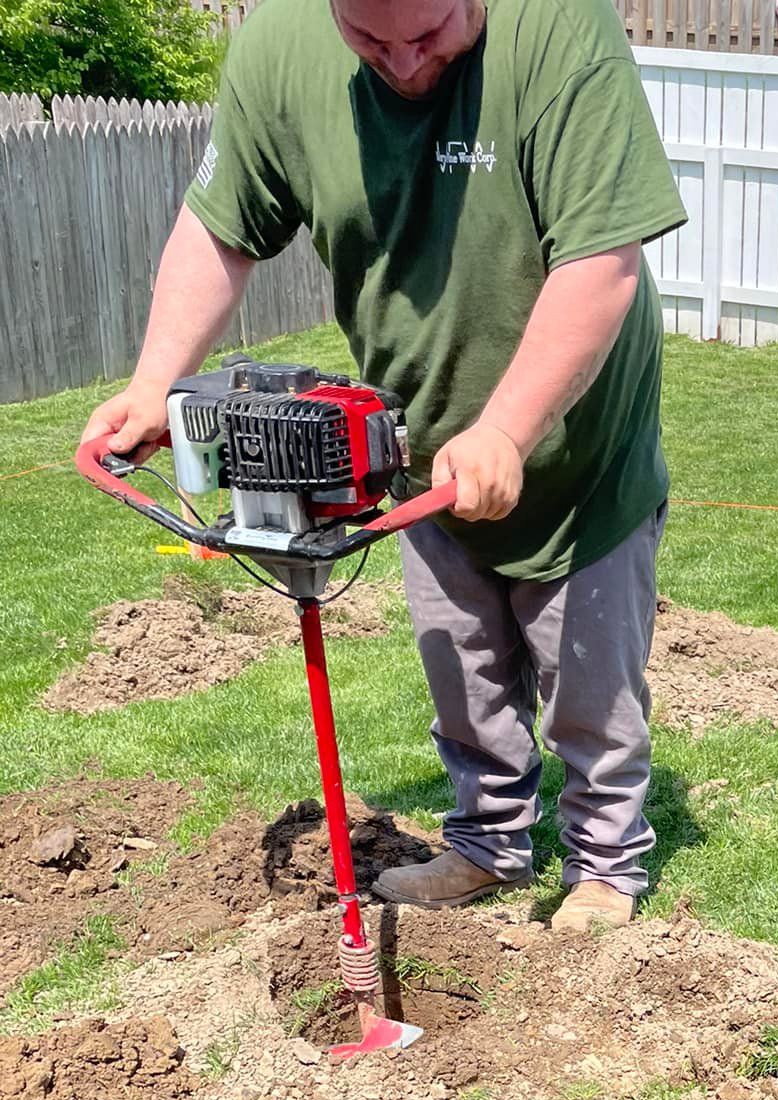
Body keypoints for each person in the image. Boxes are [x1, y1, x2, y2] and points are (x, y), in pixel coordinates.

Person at [79, 0, 687, 933]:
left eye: (433, 34)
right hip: (418, 453)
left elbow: (603, 261)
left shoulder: (561, 27)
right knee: (465, 671)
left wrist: (508, 431)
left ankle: (605, 864)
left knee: (590, 685)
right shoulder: (278, 49)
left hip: (576, 448)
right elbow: (220, 230)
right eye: (371, 41)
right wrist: (159, 381)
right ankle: (488, 845)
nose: (404, 65)